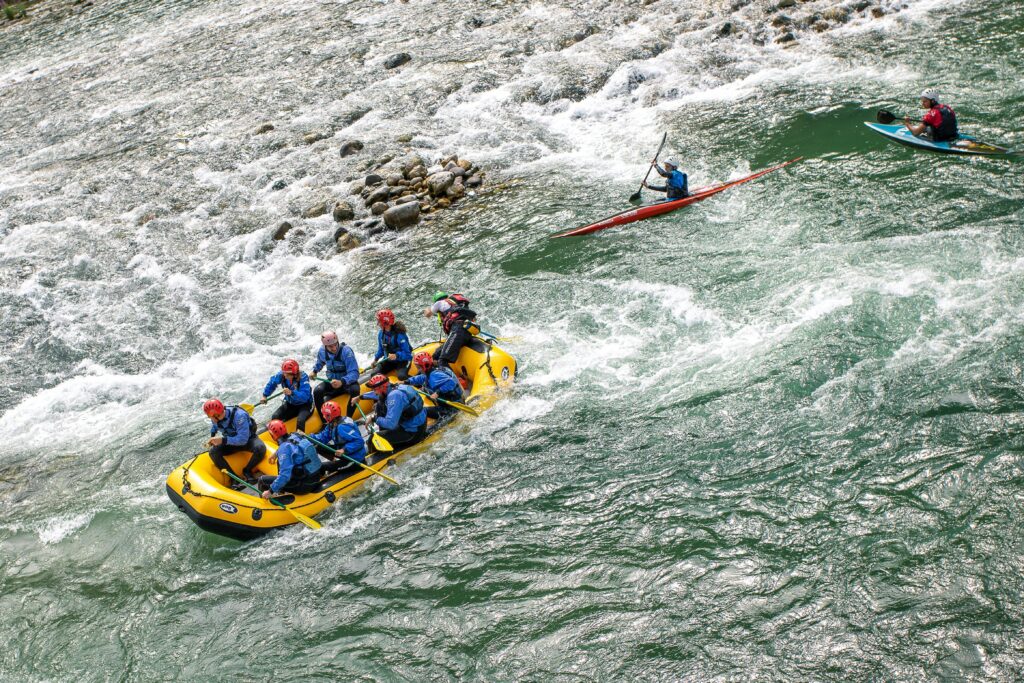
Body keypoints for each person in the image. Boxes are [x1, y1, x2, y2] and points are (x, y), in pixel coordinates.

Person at [353, 374, 427, 450]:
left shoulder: (394, 396)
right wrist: (360, 397)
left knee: (372, 439)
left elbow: (391, 424)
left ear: (382, 387)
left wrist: (374, 418)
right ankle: (385, 434)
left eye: (374, 389)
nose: (374, 392)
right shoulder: (393, 387)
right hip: (416, 425)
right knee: (379, 404)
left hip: (413, 433)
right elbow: (376, 395)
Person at [203, 398, 266, 484]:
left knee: (260, 448)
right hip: (231, 442)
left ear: (222, 411)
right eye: (212, 417)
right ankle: (235, 479)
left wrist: (222, 440)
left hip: (248, 440)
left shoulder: (240, 416)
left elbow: (243, 439)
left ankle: (247, 470)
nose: (214, 419)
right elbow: (215, 426)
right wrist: (212, 436)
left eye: (216, 416)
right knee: (213, 452)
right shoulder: (215, 418)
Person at [258, 419, 323, 497]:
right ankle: (281, 491)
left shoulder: (284, 449)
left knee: (262, 480)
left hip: (304, 486)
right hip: (316, 477)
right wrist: (276, 453)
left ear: (272, 435)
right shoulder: (296, 435)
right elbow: (291, 446)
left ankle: (264, 502)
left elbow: (285, 476)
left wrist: (270, 491)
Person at [309, 330, 360, 419]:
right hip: (332, 382)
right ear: (325, 346)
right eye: (330, 346)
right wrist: (315, 371)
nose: (334, 348)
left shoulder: (346, 352)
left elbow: (354, 373)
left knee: (355, 390)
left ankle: (349, 418)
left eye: (335, 344)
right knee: (317, 391)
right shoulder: (322, 351)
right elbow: (320, 362)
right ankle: (324, 421)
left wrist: (342, 381)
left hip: (346, 383)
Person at [423, 291, 479, 368]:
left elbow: (428, 314)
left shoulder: (439, 303)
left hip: (457, 331)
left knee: (442, 361)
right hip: (466, 331)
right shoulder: (457, 305)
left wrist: (426, 309)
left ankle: (451, 379)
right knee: (435, 355)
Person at [309, 401, 367, 473]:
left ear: (329, 416)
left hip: (355, 460)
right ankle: (335, 462)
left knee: (322, 467)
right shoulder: (332, 424)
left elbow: (359, 441)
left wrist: (344, 450)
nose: (323, 417)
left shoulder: (342, 427)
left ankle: (336, 466)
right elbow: (322, 438)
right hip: (345, 453)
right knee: (318, 446)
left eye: (324, 415)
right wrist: (308, 438)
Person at [405, 351, 464, 419]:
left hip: (452, 407)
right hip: (457, 398)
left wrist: (438, 392)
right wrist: (406, 381)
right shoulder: (434, 369)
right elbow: (421, 378)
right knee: (425, 388)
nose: (418, 370)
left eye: (418, 368)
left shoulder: (434, 375)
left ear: (424, 367)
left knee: (423, 411)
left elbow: (451, 382)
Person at [260, 358, 313, 433]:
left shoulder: (303, 377)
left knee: (300, 421)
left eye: (287, 374)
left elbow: (305, 396)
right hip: (291, 403)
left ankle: (299, 439)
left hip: (304, 405)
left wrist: (292, 393)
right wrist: (265, 395)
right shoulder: (282, 375)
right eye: (284, 373)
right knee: (275, 416)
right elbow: (272, 383)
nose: (285, 376)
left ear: (294, 374)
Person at [371, 309, 413, 380]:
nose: (377, 323)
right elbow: (381, 350)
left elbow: (408, 354)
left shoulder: (400, 335)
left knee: (402, 376)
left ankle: (418, 383)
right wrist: (375, 359)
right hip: (389, 361)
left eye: (379, 321)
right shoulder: (381, 334)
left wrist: (396, 355)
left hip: (402, 361)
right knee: (374, 374)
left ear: (385, 323)